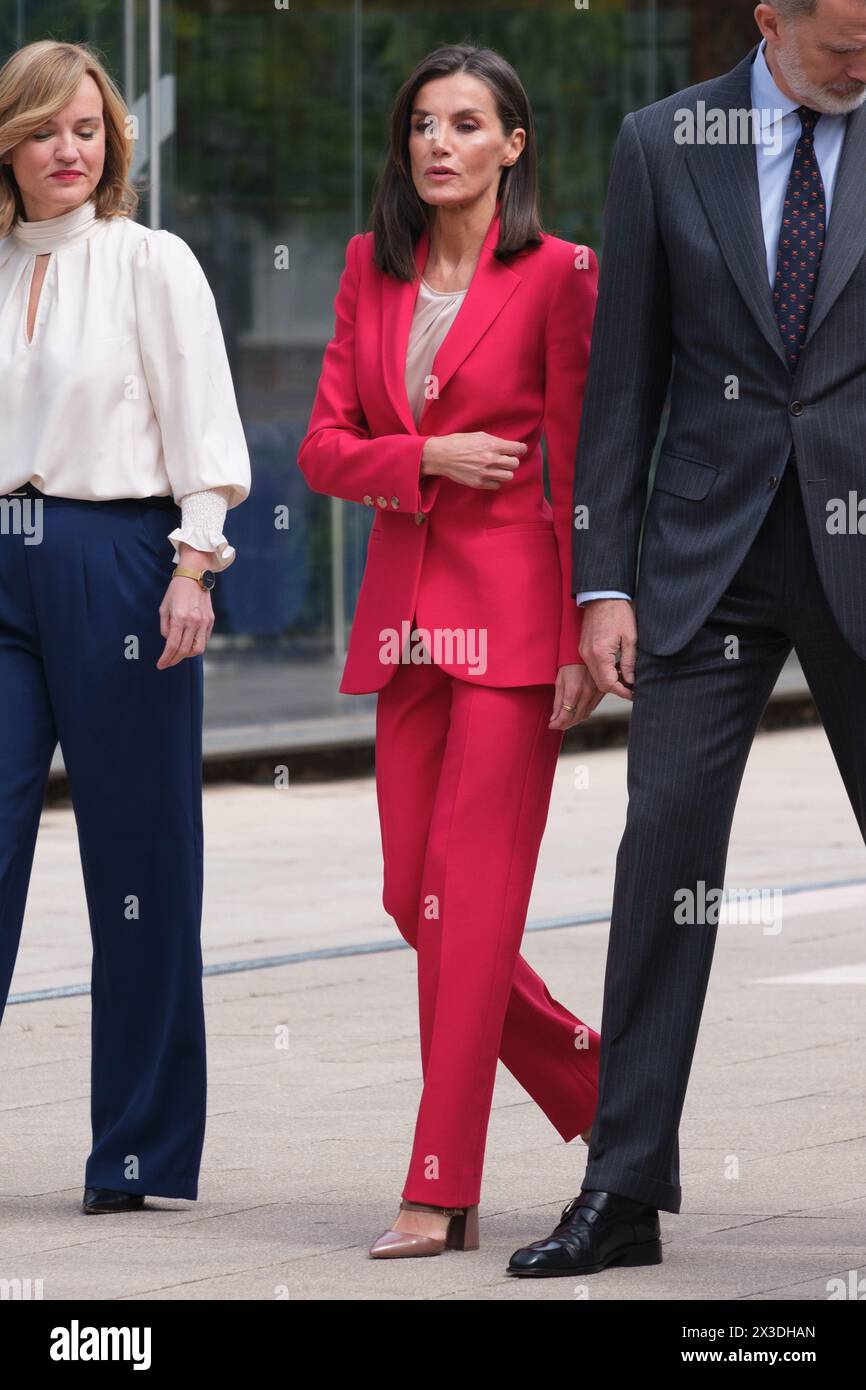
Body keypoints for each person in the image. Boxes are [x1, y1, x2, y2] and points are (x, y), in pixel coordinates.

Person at [509, 0, 866, 1276]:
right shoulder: (664, 142)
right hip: (703, 561)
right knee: (661, 866)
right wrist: (600, 579)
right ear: (769, 21)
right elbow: (622, 379)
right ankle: (621, 1191)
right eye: (839, 48)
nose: (858, 66)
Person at [299, 43, 602, 1260]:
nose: (438, 143)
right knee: (409, 898)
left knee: (469, 905)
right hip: (406, 628)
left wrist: (591, 621)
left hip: (516, 627)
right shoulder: (369, 277)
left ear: (511, 145)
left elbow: (586, 463)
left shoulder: (562, 274)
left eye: (465, 123)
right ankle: (606, 1087)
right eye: (422, 122)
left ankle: (440, 1182)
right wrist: (420, 458)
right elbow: (323, 448)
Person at [0, 40, 250, 1213]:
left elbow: (204, 421)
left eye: (88, 130)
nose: (69, 150)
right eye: (47, 129)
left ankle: (137, 1152)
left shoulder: (151, 261)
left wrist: (194, 562)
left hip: (121, 559)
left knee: (141, 858)